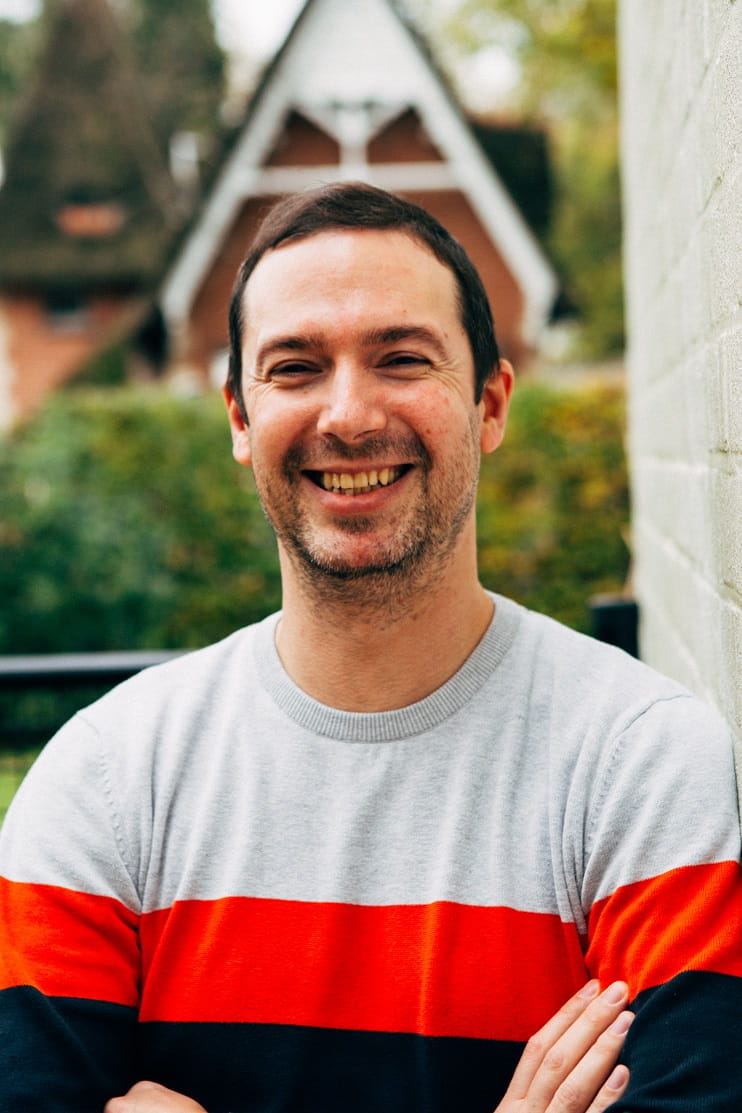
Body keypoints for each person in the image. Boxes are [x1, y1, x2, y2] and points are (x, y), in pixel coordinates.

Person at [0, 183, 740, 1113]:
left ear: (490, 404)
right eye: (295, 367)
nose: (348, 415)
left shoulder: (641, 765)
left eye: (401, 358)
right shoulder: (105, 785)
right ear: (239, 419)